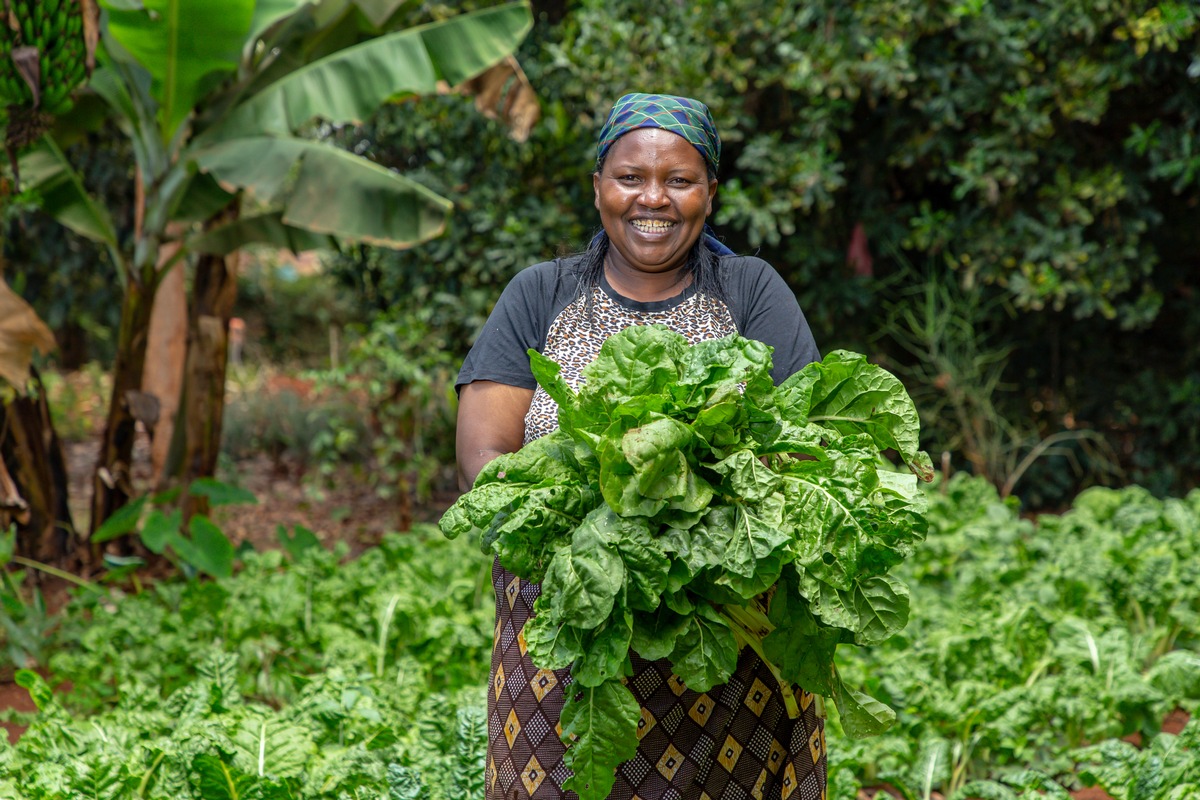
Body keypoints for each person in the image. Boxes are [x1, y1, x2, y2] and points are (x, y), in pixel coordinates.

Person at [455, 92, 826, 800]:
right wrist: (589, 529)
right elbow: (486, 458)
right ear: (599, 186)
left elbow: (797, 445)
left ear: (709, 194)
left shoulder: (750, 292)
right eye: (630, 177)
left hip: (723, 639)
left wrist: (690, 526)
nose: (652, 198)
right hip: (568, 631)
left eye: (679, 180)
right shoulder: (540, 295)